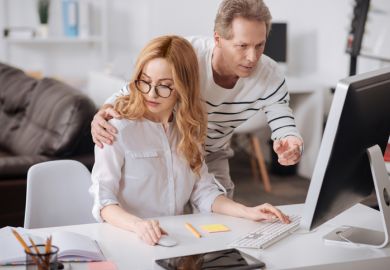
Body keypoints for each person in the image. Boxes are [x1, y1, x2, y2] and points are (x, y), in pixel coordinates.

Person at [89, 35, 290, 246]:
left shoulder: (188, 129)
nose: (152, 94)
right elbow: (103, 201)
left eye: (165, 85)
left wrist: (247, 211)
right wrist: (138, 225)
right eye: (145, 82)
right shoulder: (116, 128)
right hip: (126, 239)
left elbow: (204, 192)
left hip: (174, 239)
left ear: (183, 87)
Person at [91, 0, 304, 198]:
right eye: (242, 46)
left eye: (260, 45)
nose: (252, 57)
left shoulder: (270, 74)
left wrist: (291, 140)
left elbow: (281, 114)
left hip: (212, 152)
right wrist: (103, 111)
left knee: (221, 212)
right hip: (173, 146)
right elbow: (142, 85)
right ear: (218, 40)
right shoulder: (187, 54)